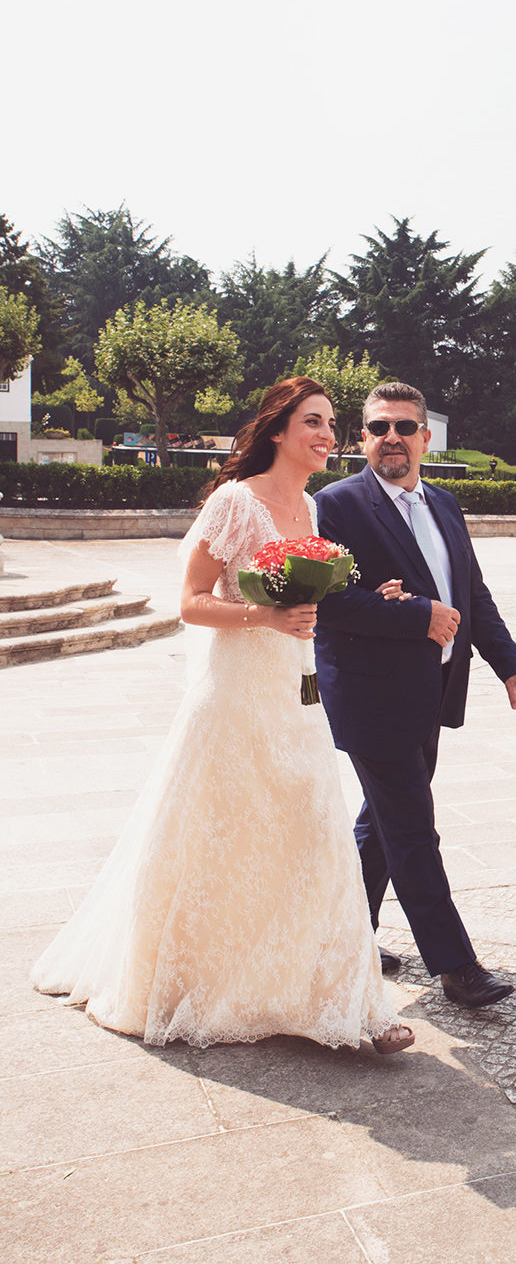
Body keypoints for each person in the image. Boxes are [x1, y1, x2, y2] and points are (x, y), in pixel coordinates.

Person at [32, 377, 413, 1055]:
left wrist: (367, 599)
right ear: (277, 430)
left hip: (295, 697)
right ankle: (214, 986)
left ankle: (342, 1004)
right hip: (234, 699)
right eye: (314, 423)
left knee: (312, 838)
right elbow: (189, 601)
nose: (328, 435)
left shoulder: (311, 509)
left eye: (330, 424)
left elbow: (308, 603)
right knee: (222, 842)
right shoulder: (236, 503)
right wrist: (264, 615)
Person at [314, 381, 516, 1009]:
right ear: (362, 437)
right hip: (369, 695)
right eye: (379, 427)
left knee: (382, 824)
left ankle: (347, 935)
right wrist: (417, 616)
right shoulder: (335, 505)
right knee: (412, 827)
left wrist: (510, 667)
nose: (392, 438)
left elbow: (472, 595)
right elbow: (327, 603)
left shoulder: (444, 504)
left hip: (434, 689)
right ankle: (456, 966)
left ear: (425, 438)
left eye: (404, 428)